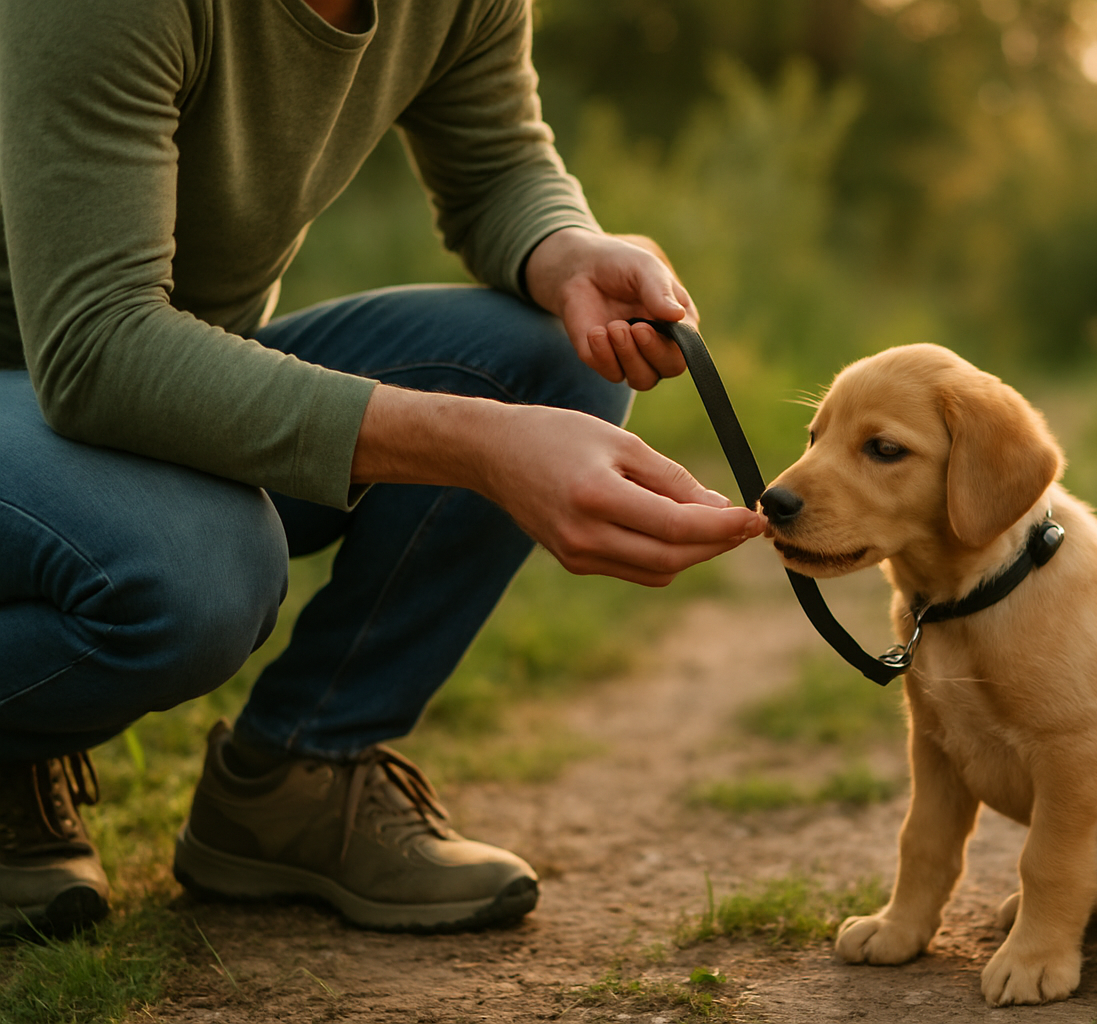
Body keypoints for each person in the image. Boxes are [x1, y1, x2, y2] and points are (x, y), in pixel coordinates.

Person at [0, 0, 766, 938]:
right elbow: (97, 349)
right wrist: (475, 444)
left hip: (128, 381)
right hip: (65, 367)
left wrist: (566, 251)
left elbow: (498, 164)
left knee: (546, 366)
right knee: (198, 569)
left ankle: (297, 780)